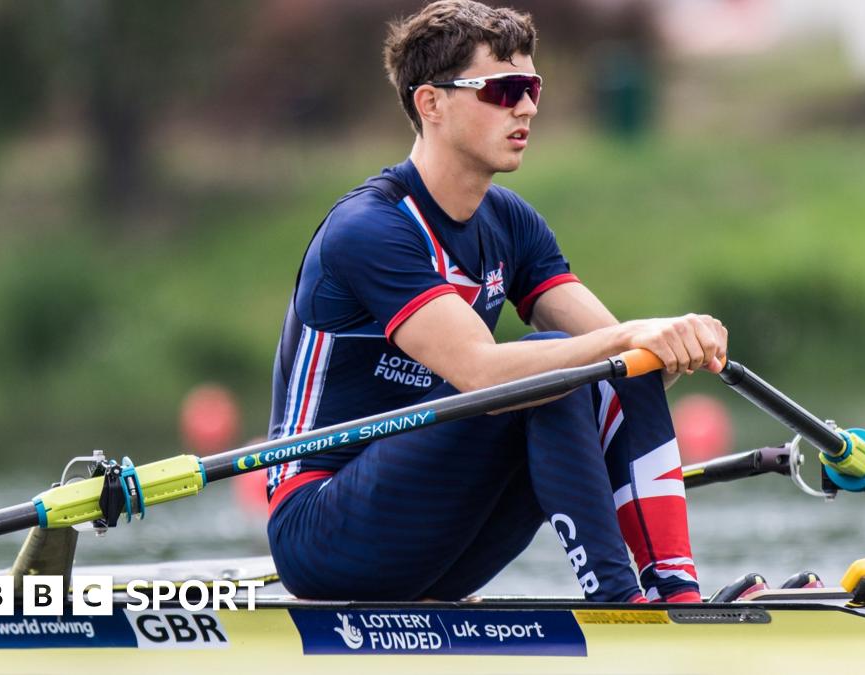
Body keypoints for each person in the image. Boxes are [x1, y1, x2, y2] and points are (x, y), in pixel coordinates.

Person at [265, 0, 727, 604]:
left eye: (532, 85)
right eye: (504, 88)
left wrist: (674, 342)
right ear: (430, 103)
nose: (528, 106)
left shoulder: (510, 222)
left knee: (591, 366)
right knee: (550, 365)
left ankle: (677, 595)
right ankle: (619, 602)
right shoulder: (369, 229)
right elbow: (482, 372)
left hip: (436, 542)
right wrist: (627, 340)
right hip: (322, 531)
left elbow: (623, 374)